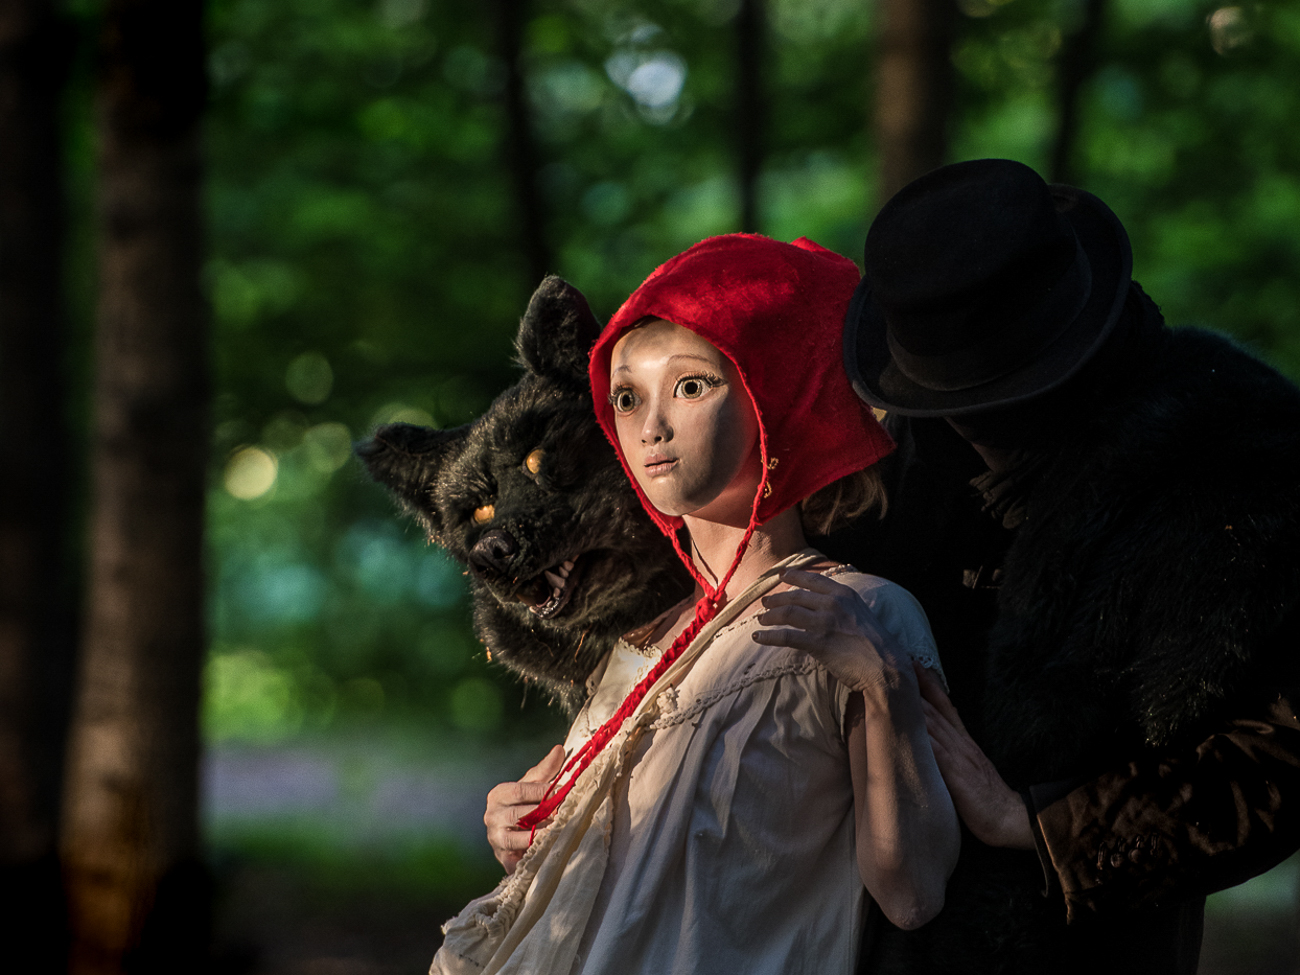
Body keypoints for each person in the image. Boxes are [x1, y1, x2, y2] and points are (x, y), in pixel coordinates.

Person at [820, 158, 1300, 973]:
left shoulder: (1234, 451)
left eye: (994, 393)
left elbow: (1283, 753)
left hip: (1086, 947)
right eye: (951, 396)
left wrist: (1044, 824)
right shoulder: (884, 464)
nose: (970, 425)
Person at [445, 234, 959, 975]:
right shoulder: (642, 643)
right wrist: (527, 830)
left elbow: (911, 894)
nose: (649, 425)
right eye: (627, 396)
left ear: (772, 398)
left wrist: (885, 688)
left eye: (691, 386)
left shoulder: (862, 613)